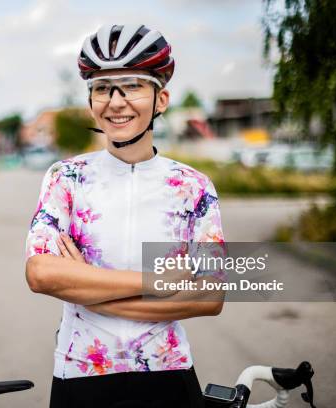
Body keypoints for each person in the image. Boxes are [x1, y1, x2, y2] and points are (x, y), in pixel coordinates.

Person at [25, 24, 225, 408]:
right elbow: (42, 274)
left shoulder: (193, 186)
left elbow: (210, 295)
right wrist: (160, 281)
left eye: (132, 85)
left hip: (168, 372)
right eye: (102, 88)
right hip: (82, 372)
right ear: (91, 102)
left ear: (161, 99)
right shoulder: (66, 178)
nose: (115, 102)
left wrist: (90, 289)